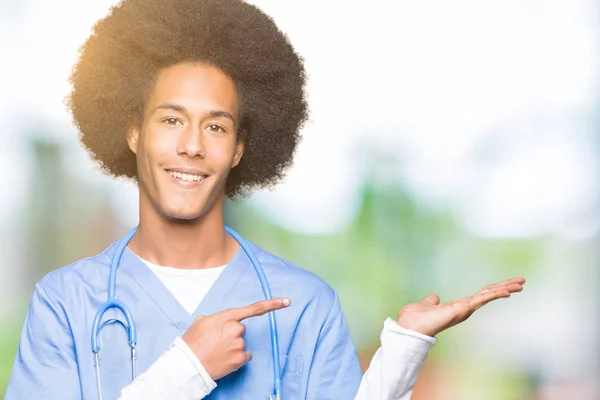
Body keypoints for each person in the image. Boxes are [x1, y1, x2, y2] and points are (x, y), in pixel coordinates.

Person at [5, 0, 525, 399]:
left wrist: (404, 353)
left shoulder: (307, 306)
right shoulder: (65, 304)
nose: (191, 144)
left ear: (239, 150)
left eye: (216, 125)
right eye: (171, 120)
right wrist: (187, 370)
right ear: (134, 132)